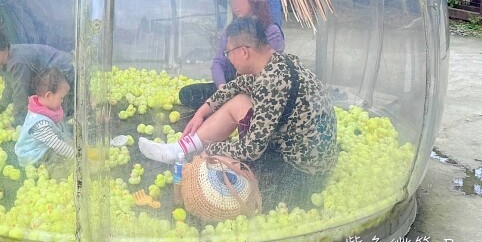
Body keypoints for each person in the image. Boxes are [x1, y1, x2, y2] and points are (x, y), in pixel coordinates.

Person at [140, 18, 337, 198]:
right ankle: (181, 149)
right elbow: (237, 86)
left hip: (299, 176)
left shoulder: (271, 83)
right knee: (240, 99)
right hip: (310, 156)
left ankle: (184, 152)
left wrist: (210, 150)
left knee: (218, 159)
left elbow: (250, 150)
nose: (228, 59)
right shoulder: (276, 63)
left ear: (243, 52)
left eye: (228, 53)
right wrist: (201, 113)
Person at [178, 0, 284, 110]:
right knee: (188, 93)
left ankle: (232, 106)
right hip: (232, 85)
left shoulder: (270, 29)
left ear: (254, 0)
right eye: (232, 3)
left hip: (258, 87)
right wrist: (223, 88)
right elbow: (218, 62)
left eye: (239, 1)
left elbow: (274, 66)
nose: (235, 7)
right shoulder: (231, 31)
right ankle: (228, 105)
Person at [0, 29, 73, 121]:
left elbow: (20, 94)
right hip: (53, 75)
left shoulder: (18, 62)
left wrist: (18, 121)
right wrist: (2, 106)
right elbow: (10, 85)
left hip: (67, 73)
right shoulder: (8, 58)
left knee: (61, 107)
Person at [14, 68, 74, 165]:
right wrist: (75, 155)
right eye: (61, 98)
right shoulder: (41, 123)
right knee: (56, 161)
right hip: (33, 156)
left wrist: (68, 142)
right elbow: (56, 144)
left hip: (42, 145)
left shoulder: (44, 108)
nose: (62, 101)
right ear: (49, 96)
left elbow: (59, 131)